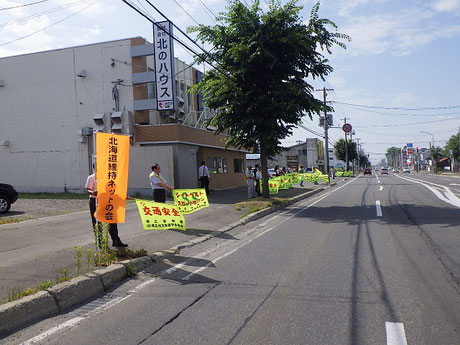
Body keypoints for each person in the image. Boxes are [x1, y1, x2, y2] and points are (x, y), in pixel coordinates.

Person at [85, 171, 127, 248]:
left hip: (107, 200)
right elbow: (87, 190)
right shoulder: (91, 177)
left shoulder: (106, 177)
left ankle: (116, 240)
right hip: (95, 201)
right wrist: (92, 192)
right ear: (95, 167)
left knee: (112, 220)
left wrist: (122, 196)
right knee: (97, 222)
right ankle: (100, 242)